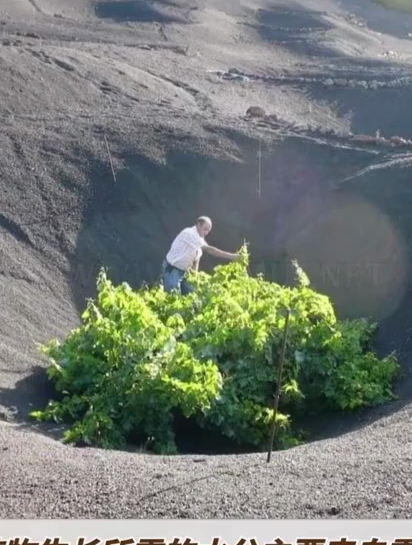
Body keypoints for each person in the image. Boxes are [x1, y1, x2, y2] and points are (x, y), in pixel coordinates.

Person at [162, 216, 240, 294]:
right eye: (205, 229)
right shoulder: (189, 233)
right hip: (172, 271)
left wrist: (194, 276)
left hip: (185, 273)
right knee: (173, 298)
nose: (206, 233)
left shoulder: (199, 240)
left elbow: (196, 258)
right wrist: (232, 257)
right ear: (198, 225)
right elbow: (210, 250)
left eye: (208, 231)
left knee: (192, 296)